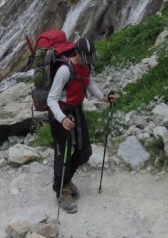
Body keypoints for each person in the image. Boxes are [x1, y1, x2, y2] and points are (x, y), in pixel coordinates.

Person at [46, 35, 117, 214]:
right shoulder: (65, 70)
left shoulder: (86, 66)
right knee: (62, 153)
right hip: (60, 114)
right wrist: (62, 119)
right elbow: (51, 99)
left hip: (76, 111)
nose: (88, 63)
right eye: (86, 59)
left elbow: (89, 84)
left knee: (85, 151)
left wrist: (104, 98)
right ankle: (61, 191)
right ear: (78, 53)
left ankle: (65, 180)